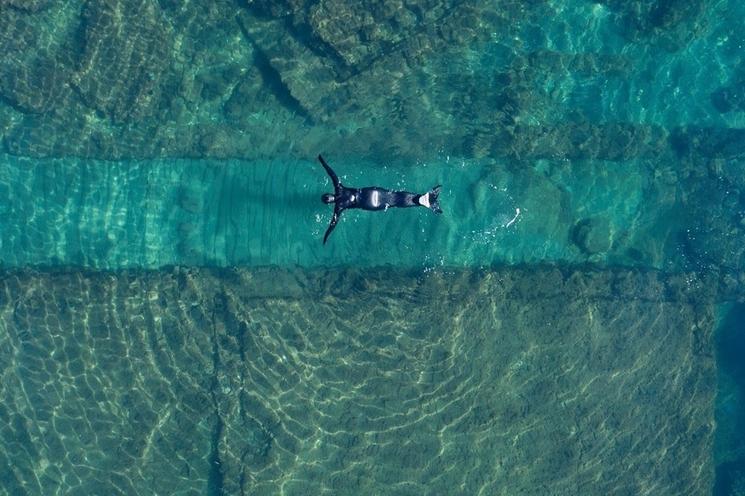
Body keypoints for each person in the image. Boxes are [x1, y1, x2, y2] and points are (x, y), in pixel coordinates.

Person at [317, 154, 442, 244]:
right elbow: (332, 174)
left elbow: (333, 224)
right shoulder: (339, 188)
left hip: (371, 204)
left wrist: (326, 236)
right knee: (393, 194)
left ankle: (421, 202)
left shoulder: (338, 208)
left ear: (330, 202)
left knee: (392, 202)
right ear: (330, 194)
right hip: (371, 193)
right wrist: (322, 162)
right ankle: (421, 198)